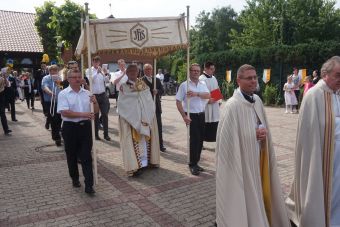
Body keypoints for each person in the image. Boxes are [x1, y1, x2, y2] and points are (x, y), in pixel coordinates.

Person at [215, 64, 290, 227]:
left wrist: (262, 135)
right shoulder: (232, 106)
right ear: (238, 80)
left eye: (255, 77)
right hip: (241, 162)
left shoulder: (257, 101)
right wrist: (252, 135)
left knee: (259, 190)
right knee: (247, 193)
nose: (254, 81)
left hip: (257, 156)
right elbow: (227, 143)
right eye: (249, 78)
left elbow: (260, 125)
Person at [286, 56, 340, 227]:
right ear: (325, 74)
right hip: (322, 155)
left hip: (338, 156)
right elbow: (308, 135)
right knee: (322, 191)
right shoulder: (314, 95)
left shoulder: (337, 93)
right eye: (338, 75)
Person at [57, 68, 98, 194]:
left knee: (86, 156)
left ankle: (89, 185)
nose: (77, 79)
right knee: (72, 156)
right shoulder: (63, 94)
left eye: (79, 77)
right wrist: (85, 114)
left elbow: (96, 111)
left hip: (85, 128)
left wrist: (95, 102)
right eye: (74, 77)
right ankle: (74, 178)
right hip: (70, 128)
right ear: (68, 79)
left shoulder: (88, 93)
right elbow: (65, 112)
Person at [117, 64, 160, 176]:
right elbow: (123, 102)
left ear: (138, 72)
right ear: (127, 73)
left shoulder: (143, 84)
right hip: (132, 119)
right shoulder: (123, 86)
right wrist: (137, 96)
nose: (133, 73)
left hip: (144, 117)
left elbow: (147, 98)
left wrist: (151, 93)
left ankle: (146, 163)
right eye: (130, 71)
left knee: (145, 143)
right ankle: (135, 166)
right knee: (134, 142)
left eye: (135, 71)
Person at [176, 63, 210, 176]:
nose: (195, 72)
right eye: (193, 70)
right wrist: (184, 116)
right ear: (190, 72)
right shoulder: (184, 85)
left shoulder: (203, 83)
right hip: (191, 115)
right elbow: (178, 101)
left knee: (200, 140)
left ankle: (196, 162)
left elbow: (208, 95)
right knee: (194, 140)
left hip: (201, 114)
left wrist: (196, 94)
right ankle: (192, 164)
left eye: (197, 71)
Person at [142, 63, 166, 152]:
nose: (149, 70)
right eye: (147, 69)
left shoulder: (157, 80)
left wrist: (158, 91)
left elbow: (162, 90)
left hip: (156, 107)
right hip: (146, 108)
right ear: (144, 70)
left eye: (150, 69)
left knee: (159, 127)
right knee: (147, 127)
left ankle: (160, 145)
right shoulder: (141, 81)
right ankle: (149, 146)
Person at [86, 56, 111, 141]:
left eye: (98, 61)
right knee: (95, 116)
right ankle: (96, 134)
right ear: (92, 62)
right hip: (94, 96)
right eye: (95, 61)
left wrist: (106, 73)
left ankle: (106, 134)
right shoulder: (89, 70)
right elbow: (90, 79)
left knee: (105, 114)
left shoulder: (101, 70)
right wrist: (97, 72)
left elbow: (107, 81)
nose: (96, 63)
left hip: (103, 95)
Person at [199, 61, 220, 142]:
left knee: (214, 123)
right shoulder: (201, 79)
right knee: (204, 123)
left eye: (213, 68)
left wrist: (217, 99)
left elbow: (217, 89)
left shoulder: (214, 78)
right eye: (211, 69)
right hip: (205, 106)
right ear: (205, 69)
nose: (213, 70)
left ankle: (213, 139)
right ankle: (201, 141)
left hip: (214, 104)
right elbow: (199, 92)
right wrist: (207, 100)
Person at [42, 65, 63, 146]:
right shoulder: (46, 78)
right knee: (54, 119)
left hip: (58, 101)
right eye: (52, 71)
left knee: (59, 119)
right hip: (49, 101)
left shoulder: (59, 78)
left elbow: (60, 88)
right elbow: (45, 87)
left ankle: (55, 130)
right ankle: (56, 137)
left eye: (55, 71)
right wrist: (50, 92)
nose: (54, 72)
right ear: (50, 71)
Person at [36, 62, 49, 128]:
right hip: (41, 88)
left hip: (48, 88)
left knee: (47, 100)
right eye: (42, 65)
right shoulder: (39, 72)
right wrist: (38, 89)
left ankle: (47, 110)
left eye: (44, 65)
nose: (43, 66)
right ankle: (45, 111)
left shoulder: (48, 71)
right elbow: (37, 80)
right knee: (43, 100)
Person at [0, 67, 11, 135]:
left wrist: (4, 77)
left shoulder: (3, 77)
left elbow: (8, 85)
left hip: (1, 97)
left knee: (2, 114)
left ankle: (6, 129)